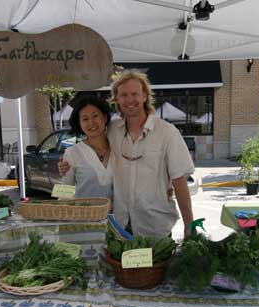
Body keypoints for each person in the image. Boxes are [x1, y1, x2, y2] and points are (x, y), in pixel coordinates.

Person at [60, 70, 195, 239]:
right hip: (120, 227)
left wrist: (189, 224)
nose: (129, 100)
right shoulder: (112, 131)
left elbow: (179, 180)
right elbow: (91, 145)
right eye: (123, 95)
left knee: (155, 266)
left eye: (134, 94)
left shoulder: (167, 132)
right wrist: (66, 163)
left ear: (145, 96)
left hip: (155, 227)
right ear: (116, 99)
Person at [60, 97, 114, 201]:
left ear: (105, 117)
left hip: (117, 216)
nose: (91, 122)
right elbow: (64, 190)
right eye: (85, 119)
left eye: (95, 116)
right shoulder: (72, 153)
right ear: (80, 124)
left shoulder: (118, 147)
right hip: (84, 215)